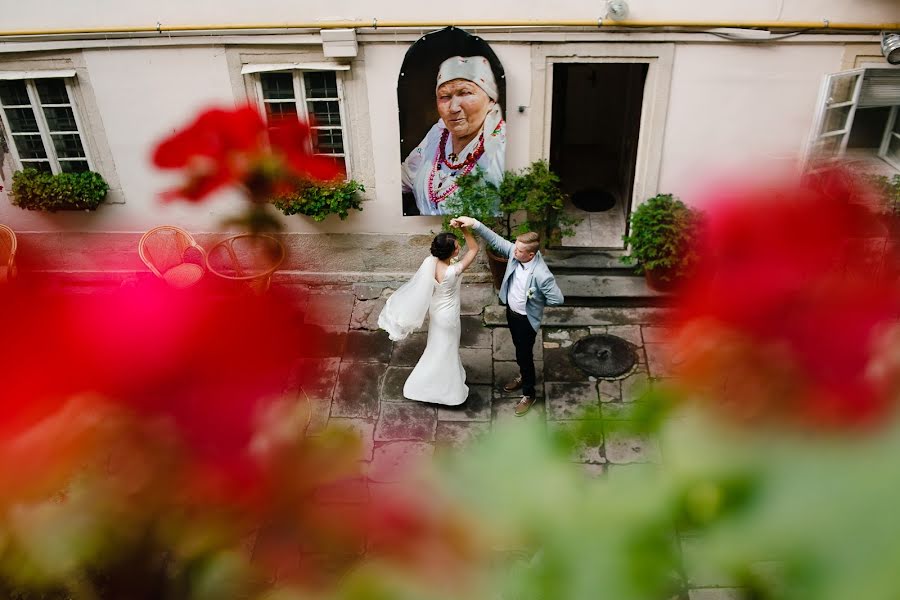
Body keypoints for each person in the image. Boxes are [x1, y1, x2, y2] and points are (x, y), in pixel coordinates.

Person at [451, 216, 564, 416]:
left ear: (530, 255)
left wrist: (534, 299)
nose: (514, 251)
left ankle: (529, 393)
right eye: (515, 247)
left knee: (525, 355)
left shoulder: (541, 274)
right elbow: (494, 239)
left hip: (526, 320)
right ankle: (523, 375)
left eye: (519, 250)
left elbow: (558, 299)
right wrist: (474, 223)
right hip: (511, 313)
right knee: (519, 349)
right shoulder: (515, 253)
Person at [377, 226, 479, 405]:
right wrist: (465, 230)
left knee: (436, 346)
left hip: (437, 310)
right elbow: (474, 249)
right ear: (451, 251)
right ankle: (445, 390)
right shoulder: (452, 271)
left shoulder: (431, 262)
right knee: (446, 349)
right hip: (448, 316)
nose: (459, 247)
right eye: (456, 245)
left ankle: (431, 381)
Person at [401, 55, 506, 216]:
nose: (453, 108)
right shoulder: (438, 134)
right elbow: (404, 177)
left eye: (465, 93)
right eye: (445, 96)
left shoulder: (501, 146)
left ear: (491, 100)